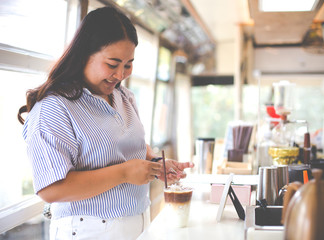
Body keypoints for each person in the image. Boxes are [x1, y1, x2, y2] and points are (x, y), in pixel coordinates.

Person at [17, 7, 194, 240]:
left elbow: (127, 146)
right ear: (83, 55)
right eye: (112, 64)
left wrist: (154, 163)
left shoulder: (124, 97)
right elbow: (50, 189)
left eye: (128, 64)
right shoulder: (54, 108)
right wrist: (124, 173)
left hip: (139, 222)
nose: (121, 74)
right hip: (88, 230)